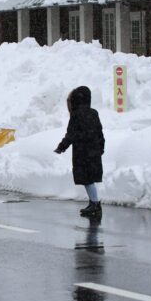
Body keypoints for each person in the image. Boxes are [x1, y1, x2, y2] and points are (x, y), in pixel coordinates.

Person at [55, 86, 105, 217]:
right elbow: (100, 132)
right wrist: (101, 148)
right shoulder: (94, 113)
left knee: (87, 179)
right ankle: (93, 202)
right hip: (93, 151)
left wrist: (61, 147)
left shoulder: (76, 115)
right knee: (89, 179)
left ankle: (95, 204)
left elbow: (70, 135)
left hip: (83, 153)